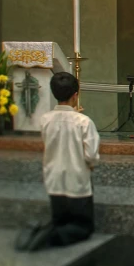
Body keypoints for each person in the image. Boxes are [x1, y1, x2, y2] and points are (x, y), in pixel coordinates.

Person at [15, 72, 100, 251]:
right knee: (84, 227)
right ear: (75, 95)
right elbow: (91, 155)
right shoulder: (84, 122)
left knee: (60, 219)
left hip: (53, 179)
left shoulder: (45, 120)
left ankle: (42, 230)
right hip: (77, 181)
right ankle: (49, 236)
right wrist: (91, 166)